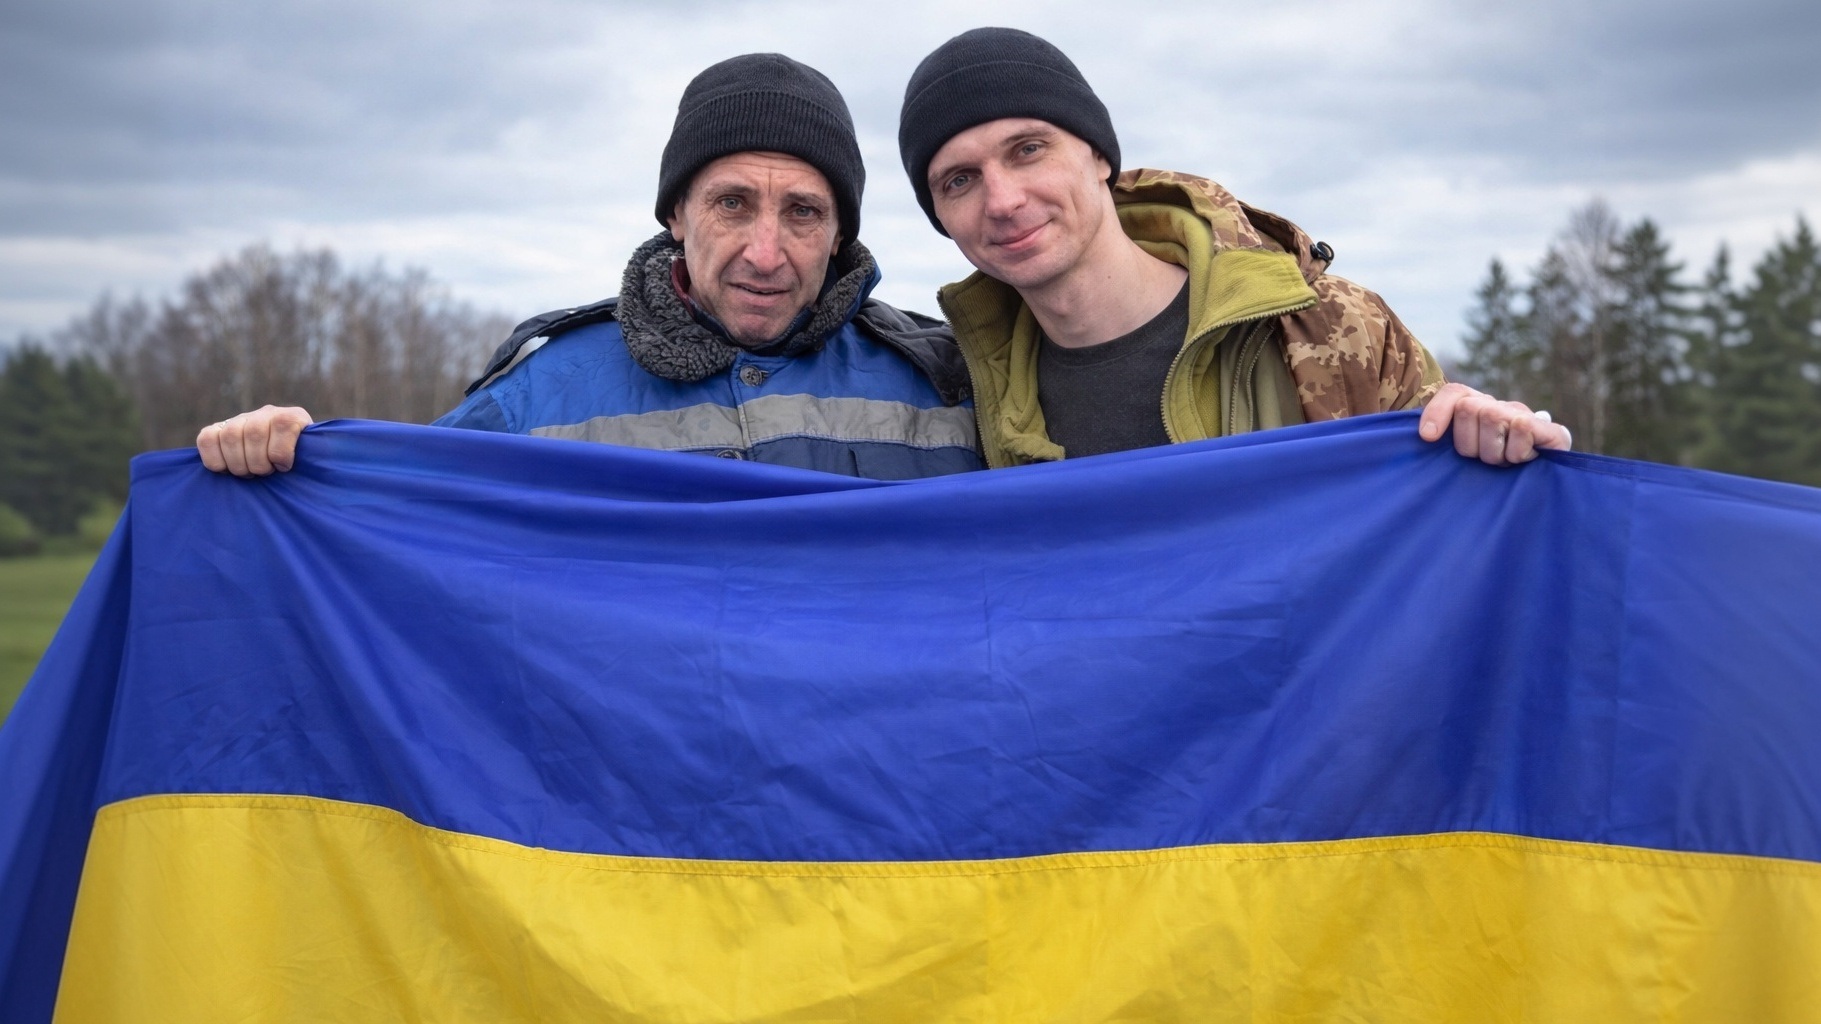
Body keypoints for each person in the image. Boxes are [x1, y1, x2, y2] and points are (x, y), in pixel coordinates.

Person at [199, 54, 981, 481]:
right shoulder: (538, 395)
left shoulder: (949, 384)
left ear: (840, 234)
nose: (765, 251)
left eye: (803, 212)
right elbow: (392, 511)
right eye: (732, 204)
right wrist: (301, 455)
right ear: (676, 215)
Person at [895, 27, 1571, 468]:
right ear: (942, 219)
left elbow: (1447, 514)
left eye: (1028, 150)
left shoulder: (1330, 330)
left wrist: (1496, 435)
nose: (1003, 200)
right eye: (959, 181)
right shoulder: (956, 394)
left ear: (1099, 156)